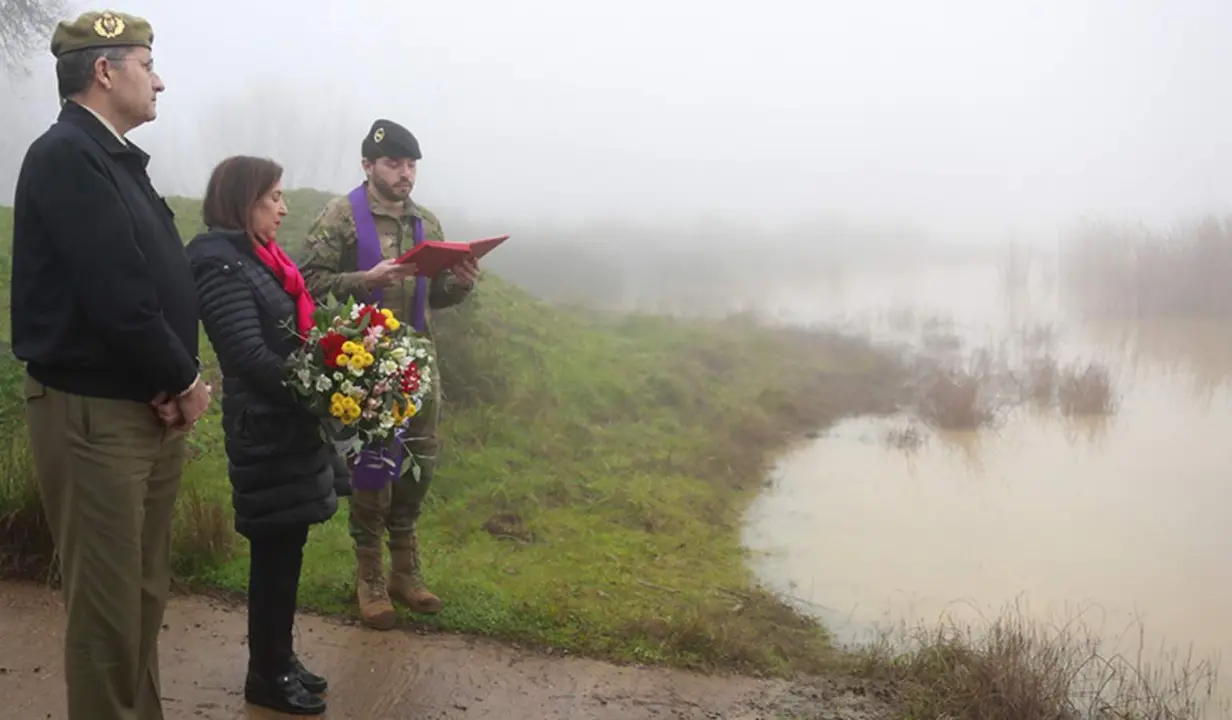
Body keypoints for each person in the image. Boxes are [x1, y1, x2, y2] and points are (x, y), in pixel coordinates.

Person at [10, 10, 212, 720]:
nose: (159, 79)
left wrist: (164, 380)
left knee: (140, 595)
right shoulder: (68, 155)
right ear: (105, 70)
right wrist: (183, 379)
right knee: (107, 611)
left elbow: (142, 282)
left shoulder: (113, 158)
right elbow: (116, 292)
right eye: (146, 64)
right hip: (94, 416)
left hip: (139, 406)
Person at [300, 119, 478, 630]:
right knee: (374, 467)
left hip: (420, 359)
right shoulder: (341, 218)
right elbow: (308, 283)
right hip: (364, 360)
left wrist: (460, 284)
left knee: (420, 461)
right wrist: (365, 279)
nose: (404, 175)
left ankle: (406, 568)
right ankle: (370, 574)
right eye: (394, 165)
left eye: (410, 165)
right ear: (368, 166)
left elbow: (435, 294)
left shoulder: (427, 224)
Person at [184, 156, 341, 715]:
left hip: (288, 425)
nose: (283, 206)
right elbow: (247, 356)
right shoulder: (219, 264)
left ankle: (279, 656)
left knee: (286, 550)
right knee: (274, 552)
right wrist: (321, 385)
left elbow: (290, 331)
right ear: (243, 200)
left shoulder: (262, 260)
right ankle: (266, 674)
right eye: (273, 196)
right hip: (266, 429)